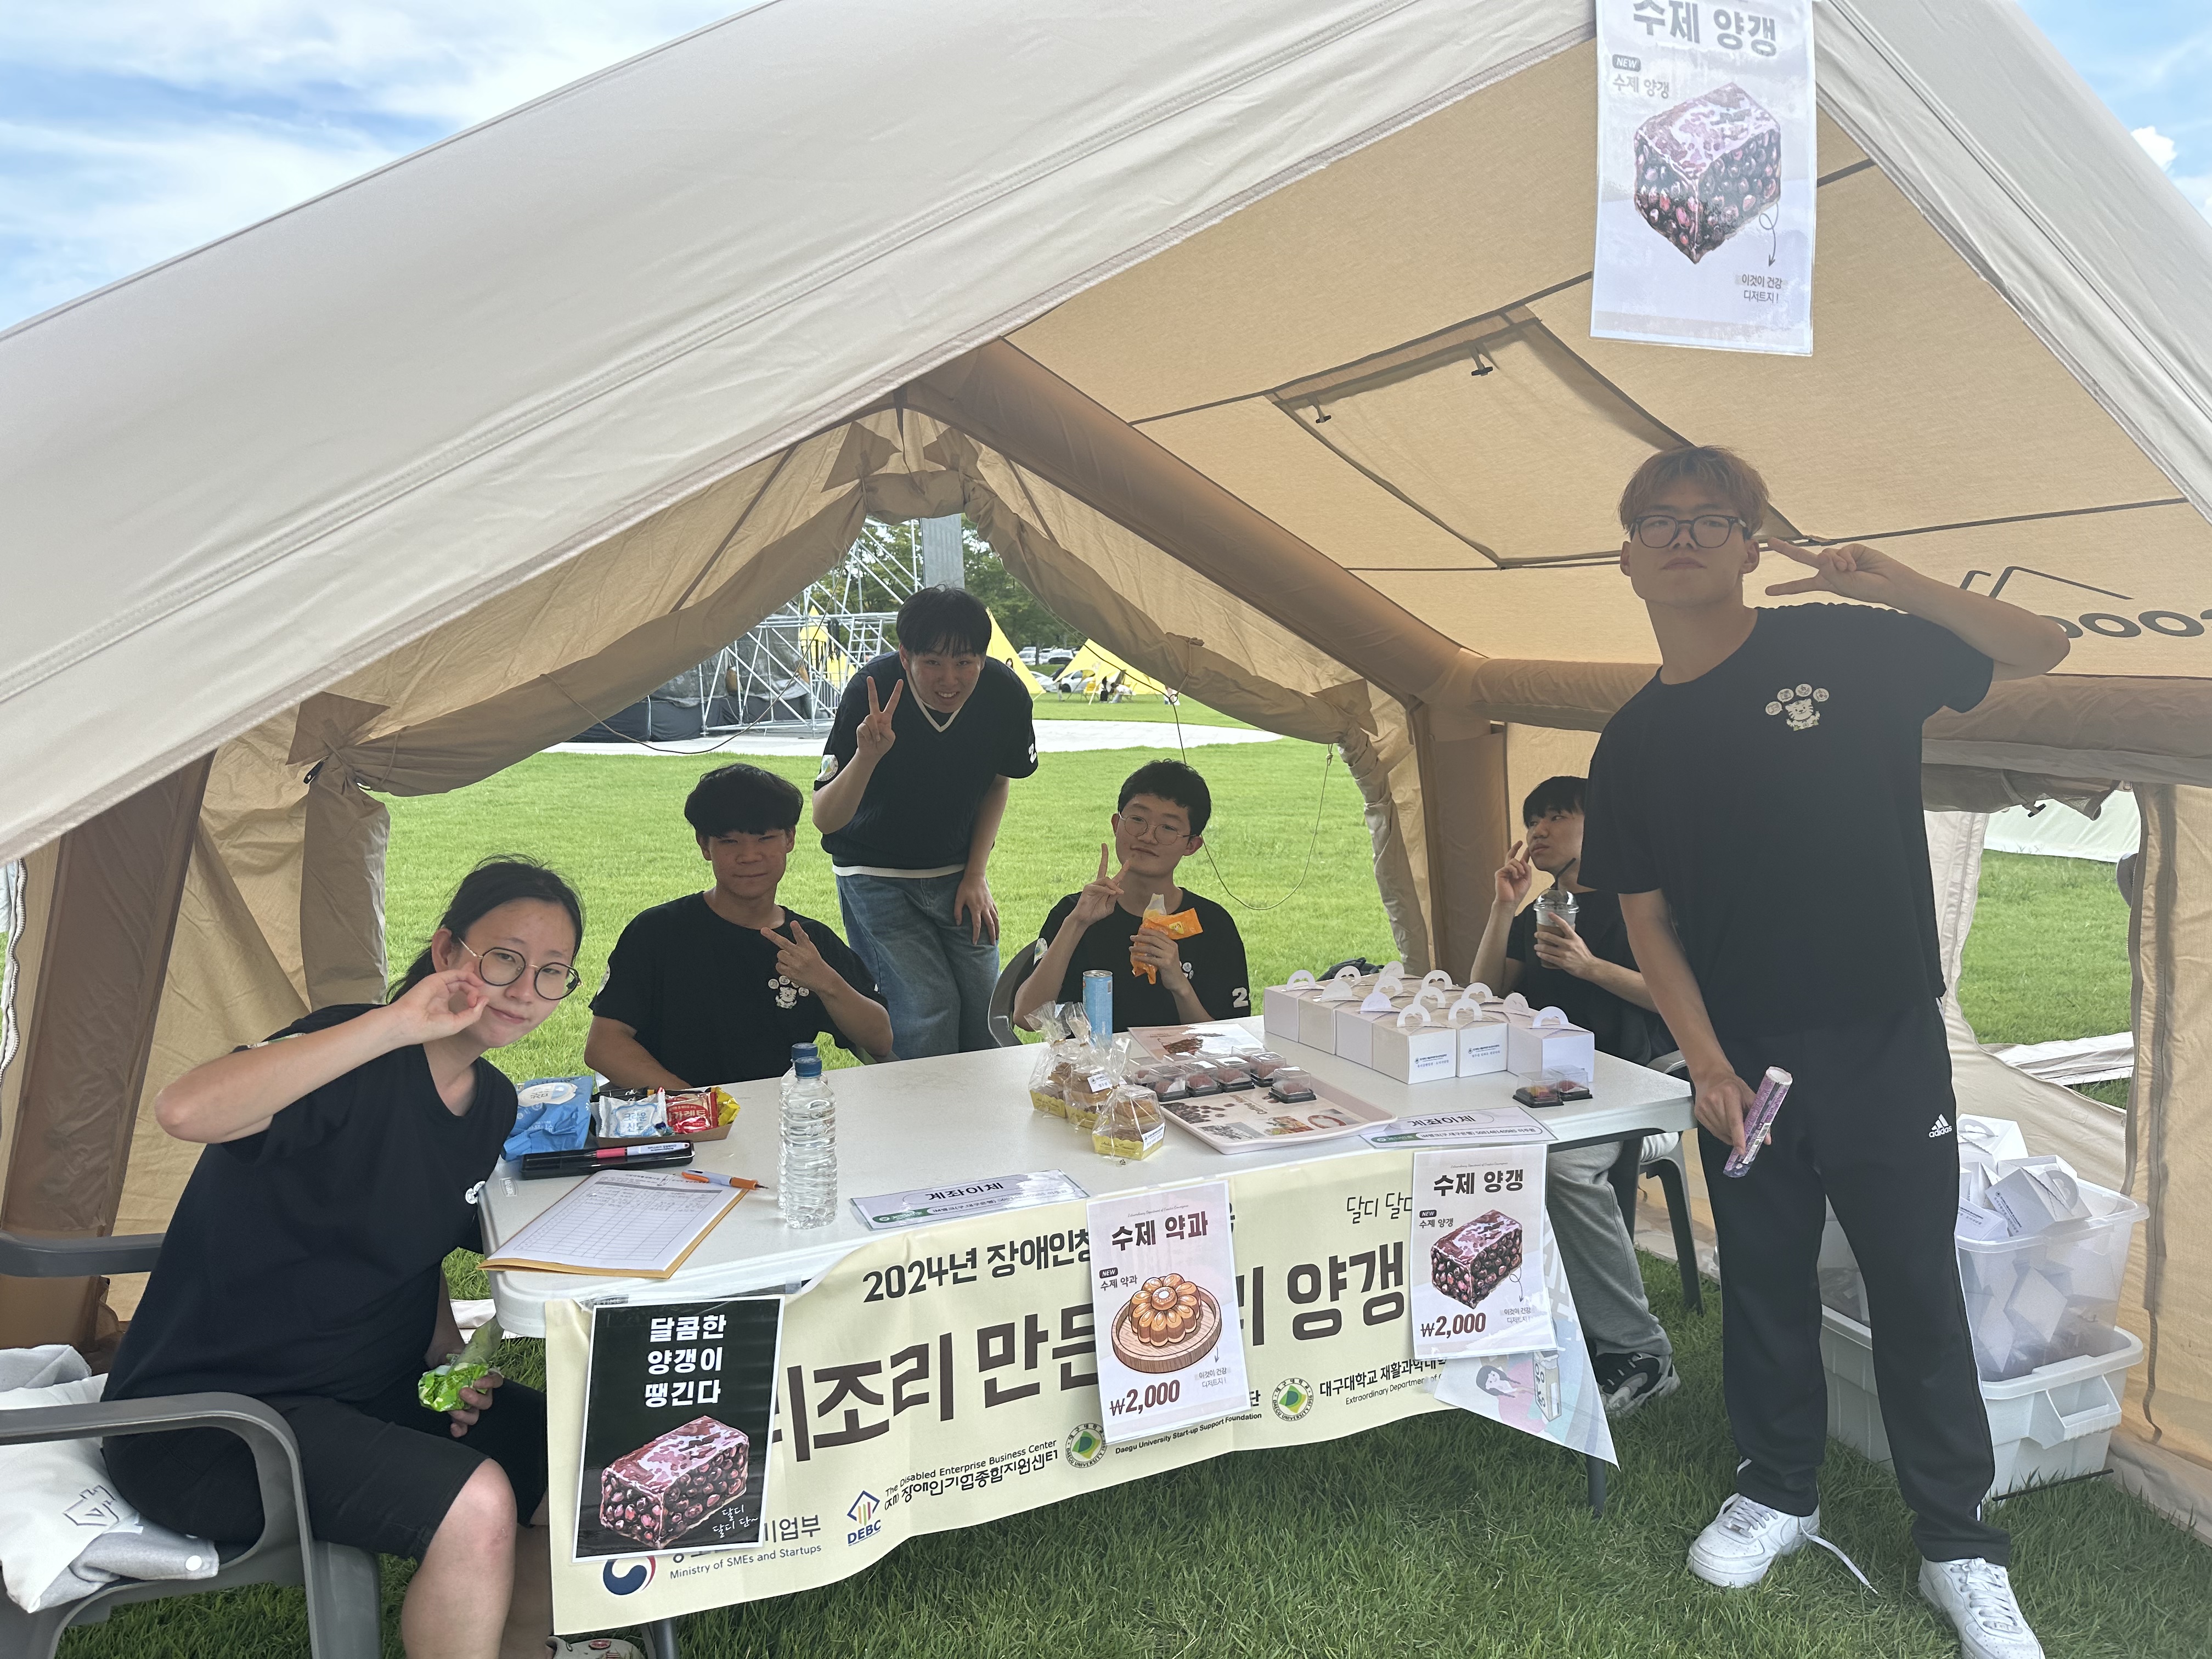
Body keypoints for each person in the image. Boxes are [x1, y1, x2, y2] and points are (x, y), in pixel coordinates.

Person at [1579, 445, 2068, 1657]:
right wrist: (1706, 1065)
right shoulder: (1631, 741)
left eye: (1711, 518)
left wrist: (1891, 580)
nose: (1682, 536)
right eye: (1658, 520)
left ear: (1752, 547)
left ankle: (1958, 1543)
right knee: (1764, 1279)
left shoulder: (1846, 645)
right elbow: (1647, 918)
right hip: (1744, 1060)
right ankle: (1778, 1488)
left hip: (1884, 1035)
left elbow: (2041, 646)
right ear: (1625, 555)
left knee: (1915, 1288)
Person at [104, 859, 635, 1659]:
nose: (525, 988)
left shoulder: (490, 1102)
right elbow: (186, 1109)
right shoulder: (343, 1052)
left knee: (587, 1457)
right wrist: (393, 1024)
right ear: (448, 950)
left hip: (377, 1390)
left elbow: (411, 1239)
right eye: (504, 958)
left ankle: (526, 1648)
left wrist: (448, 1355)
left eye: (552, 971)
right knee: (477, 1503)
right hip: (217, 1422)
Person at [1468, 774, 1679, 1418]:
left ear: (1601, 826)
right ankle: (1506, 1319)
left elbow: (1680, 998)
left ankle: (1640, 1351)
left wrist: (1591, 968)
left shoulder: (1642, 905)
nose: (1540, 831)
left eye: (1558, 816)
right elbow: (1483, 996)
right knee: (1461, 1140)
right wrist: (1504, 906)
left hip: (1638, 1088)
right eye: (1533, 820)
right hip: (1545, 1086)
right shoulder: (1542, 909)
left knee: (1562, 1164)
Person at [810, 585, 1040, 1057]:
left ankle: (984, 1104)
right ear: (905, 655)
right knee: (927, 1007)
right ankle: (920, 1104)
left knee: (987, 1009)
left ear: (983, 658)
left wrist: (976, 875)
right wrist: (868, 756)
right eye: (932, 662)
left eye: (965, 662)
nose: (949, 679)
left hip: (957, 872)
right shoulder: (870, 691)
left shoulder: (1004, 693)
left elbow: (998, 783)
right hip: (874, 874)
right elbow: (826, 818)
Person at [587, 764, 892, 1086]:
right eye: (729, 842)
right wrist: (699, 1104)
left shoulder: (808, 942)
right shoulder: (656, 932)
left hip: (773, 1109)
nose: (749, 856)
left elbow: (880, 1041)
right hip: (676, 1109)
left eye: (765, 838)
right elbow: (604, 1046)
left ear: (790, 839)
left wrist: (826, 982)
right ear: (704, 845)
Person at [1013, 759, 1250, 1031]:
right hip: (1093, 1059)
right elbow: (1027, 1018)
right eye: (1137, 820)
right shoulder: (1075, 912)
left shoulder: (1211, 924)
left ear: (1192, 845)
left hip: (1180, 1060)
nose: (1148, 836)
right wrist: (1076, 924)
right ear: (1117, 824)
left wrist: (1179, 984)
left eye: (1168, 828)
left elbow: (1229, 1039)